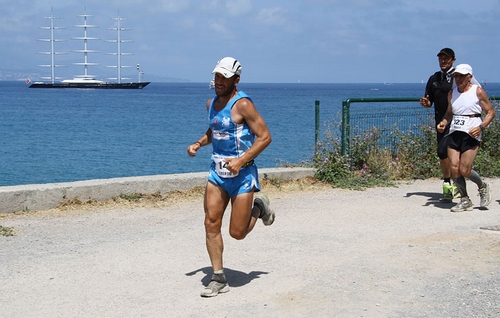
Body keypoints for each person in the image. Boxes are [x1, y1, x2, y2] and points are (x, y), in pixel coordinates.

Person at [186, 57, 274, 297]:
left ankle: (259, 207)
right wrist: (198, 143)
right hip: (217, 174)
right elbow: (215, 131)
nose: (219, 81)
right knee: (210, 223)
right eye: (216, 76)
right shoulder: (211, 104)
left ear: (236, 80)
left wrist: (240, 161)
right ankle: (218, 278)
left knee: (238, 233)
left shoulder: (243, 105)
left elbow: (265, 137)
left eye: (224, 77)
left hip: (242, 175)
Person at [437, 64, 495, 212]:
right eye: (456, 76)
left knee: (465, 169)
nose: (458, 79)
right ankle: (464, 199)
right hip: (455, 131)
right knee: (454, 167)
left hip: (471, 133)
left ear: (469, 77)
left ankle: (482, 186)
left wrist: (481, 127)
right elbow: (449, 113)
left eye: (461, 76)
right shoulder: (452, 93)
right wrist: (443, 123)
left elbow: (490, 112)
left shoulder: (478, 91)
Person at [420, 48, 459, 200]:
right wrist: (426, 103)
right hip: (440, 123)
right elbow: (429, 101)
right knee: (443, 154)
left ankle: (455, 184)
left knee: (448, 152)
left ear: (453, 60)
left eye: (446, 58)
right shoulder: (434, 78)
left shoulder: (458, 77)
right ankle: (448, 183)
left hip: (457, 122)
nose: (443, 61)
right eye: (441, 58)